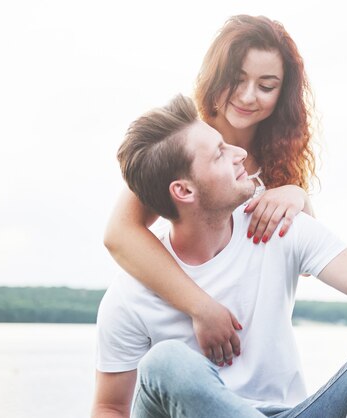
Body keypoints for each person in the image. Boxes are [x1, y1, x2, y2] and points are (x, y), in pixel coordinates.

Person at [91, 94, 347, 418]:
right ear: (184, 191)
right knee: (166, 362)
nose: (240, 153)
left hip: (291, 412)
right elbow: (110, 406)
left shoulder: (274, 225)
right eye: (220, 154)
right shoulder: (131, 293)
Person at [103, 15, 316, 366]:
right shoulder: (183, 139)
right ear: (216, 75)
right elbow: (119, 234)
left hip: (253, 354)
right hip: (180, 336)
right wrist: (200, 307)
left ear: (283, 94)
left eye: (266, 86)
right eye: (236, 79)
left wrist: (299, 196)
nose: (248, 96)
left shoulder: (279, 161)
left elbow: (305, 262)